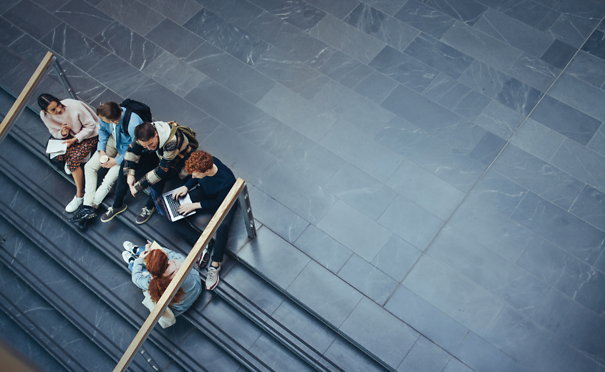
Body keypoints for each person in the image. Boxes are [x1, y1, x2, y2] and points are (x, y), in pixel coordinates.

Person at [100, 121, 197, 224]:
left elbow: (160, 172)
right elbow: (132, 149)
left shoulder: (172, 141)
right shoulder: (145, 133)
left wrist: (137, 187)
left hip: (178, 160)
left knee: (159, 179)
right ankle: (117, 205)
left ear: (155, 134)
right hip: (160, 153)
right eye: (145, 146)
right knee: (126, 163)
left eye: (150, 144)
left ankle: (149, 206)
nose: (149, 148)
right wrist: (130, 174)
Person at [171, 150, 237, 291]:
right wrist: (186, 186)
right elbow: (195, 178)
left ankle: (215, 264)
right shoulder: (207, 163)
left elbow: (218, 202)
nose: (192, 176)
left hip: (224, 201)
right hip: (206, 193)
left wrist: (194, 206)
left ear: (207, 171)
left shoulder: (227, 181)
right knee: (173, 214)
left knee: (222, 226)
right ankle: (202, 244)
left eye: (195, 174)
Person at [73, 102, 143, 221]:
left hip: (126, 151)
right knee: (89, 167)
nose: (101, 121)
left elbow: (136, 149)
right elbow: (103, 131)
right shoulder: (107, 116)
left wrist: (116, 161)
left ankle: (92, 207)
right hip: (113, 141)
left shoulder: (133, 125)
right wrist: (101, 151)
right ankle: (87, 204)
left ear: (112, 121)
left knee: (108, 180)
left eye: (103, 120)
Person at [38, 93, 99, 212]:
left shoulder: (74, 107)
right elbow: (54, 132)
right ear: (45, 111)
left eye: (58, 105)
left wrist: (76, 139)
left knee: (73, 162)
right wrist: (63, 133)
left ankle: (79, 194)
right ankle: (82, 157)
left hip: (89, 135)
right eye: (53, 110)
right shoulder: (44, 116)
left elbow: (91, 125)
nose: (59, 110)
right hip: (70, 137)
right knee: (55, 154)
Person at [122, 241, 202, 316]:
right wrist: (153, 249)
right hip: (197, 287)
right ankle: (137, 250)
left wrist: (140, 259)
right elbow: (166, 253)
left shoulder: (154, 283)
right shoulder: (180, 261)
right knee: (155, 255)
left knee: (142, 272)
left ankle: (132, 261)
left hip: (181, 307)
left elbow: (136, 278)